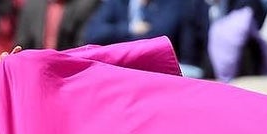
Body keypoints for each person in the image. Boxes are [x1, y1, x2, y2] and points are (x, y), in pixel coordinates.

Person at [81, 0, 211, 77]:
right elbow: (93, 33)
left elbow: (159, 35)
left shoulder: (174, 4)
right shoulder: (117, 3)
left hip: (165, 72)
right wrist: (130, 29)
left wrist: (117, 37)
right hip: (120, 70)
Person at [14, 0, 100, 51]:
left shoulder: (85, 5)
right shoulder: (32, 5)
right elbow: (22, 43)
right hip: (36, 64)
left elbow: (82, 44)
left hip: (68, 65)